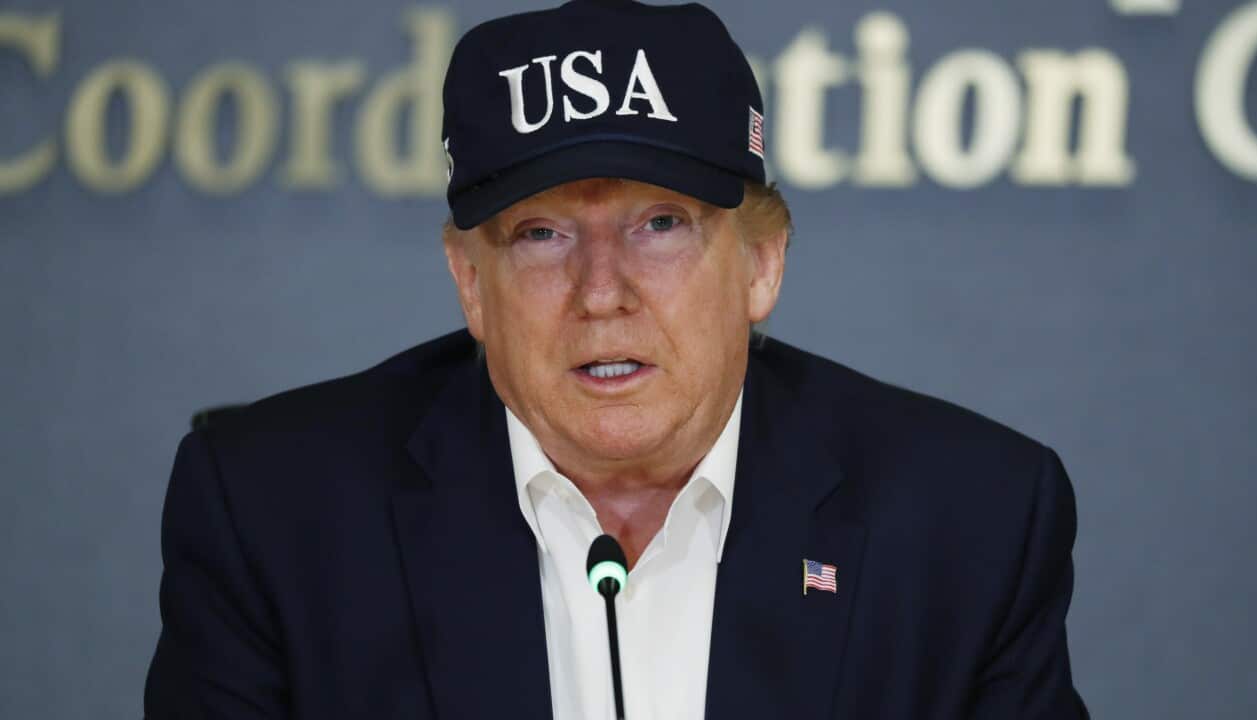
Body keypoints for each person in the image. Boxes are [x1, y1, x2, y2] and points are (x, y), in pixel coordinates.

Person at [144, 1, 1089, 718]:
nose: (603, 291)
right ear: (470, 282)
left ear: (762, 264)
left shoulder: (971, 524)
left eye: (662, 224)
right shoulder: (273, 516)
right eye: (544, 233)